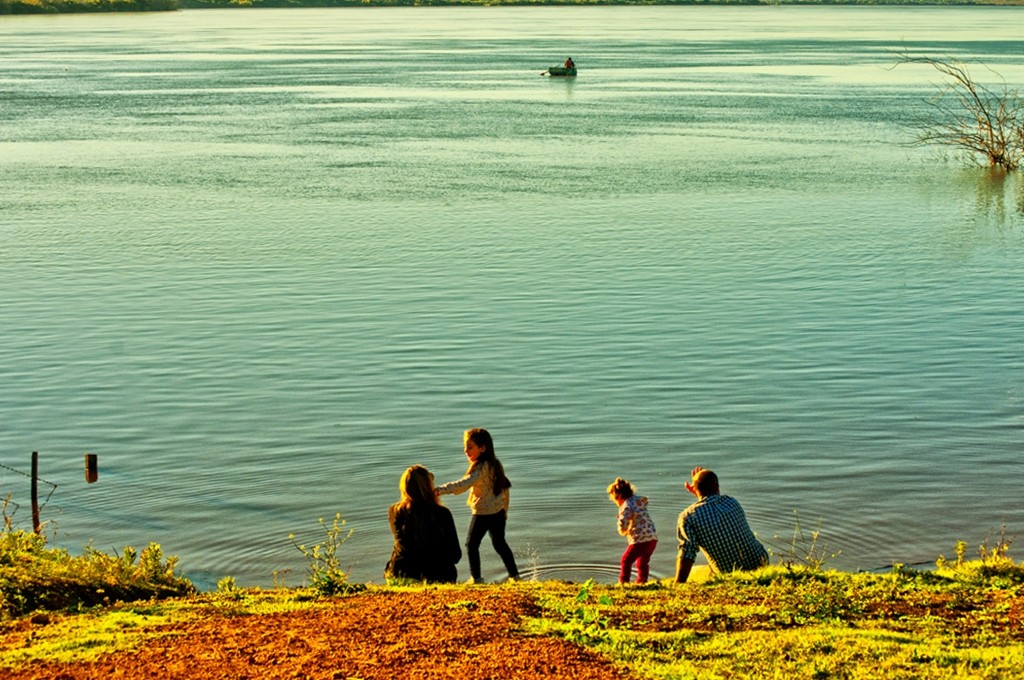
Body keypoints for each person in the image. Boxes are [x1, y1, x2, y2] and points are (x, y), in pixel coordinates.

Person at [436, 428, 520, 583]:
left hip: (483, 514)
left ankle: (476, 578)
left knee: (471, 545)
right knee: (500, 544)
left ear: (482, 448)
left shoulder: (480, 469)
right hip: (499, 512)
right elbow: (504, 488)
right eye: (465, 447)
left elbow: (462, 485)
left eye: (470, 447)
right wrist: (504, 510)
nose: (465, 451)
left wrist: (439, 490)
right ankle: (515, 576)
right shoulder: (495, 464)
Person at [675, 467, 768, 584]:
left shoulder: (687, 517)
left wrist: (678, 584)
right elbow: (712, 505)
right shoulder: (731, 502)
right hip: (760, 562)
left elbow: (687, 553)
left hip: (728, 572)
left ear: (696, 489)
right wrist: (701, 495)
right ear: (717, 486)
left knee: (695, 572)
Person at [385, 465, 462, 583]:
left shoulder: (394, 511)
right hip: (436, 575)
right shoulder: (442, 513)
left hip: (401, 572)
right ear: (428, 486)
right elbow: (455, 554)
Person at [607, 477, 658, 584]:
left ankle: (623, 583)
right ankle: (642, 582)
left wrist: (622, 529)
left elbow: (623, 524)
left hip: (640, 540)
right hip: (652, 538)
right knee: (642, 563)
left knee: (626, 561)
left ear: (618, 497)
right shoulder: (639, 501)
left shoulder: (626, 506)